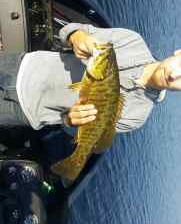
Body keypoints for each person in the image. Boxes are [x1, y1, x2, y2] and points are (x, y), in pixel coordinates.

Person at [1, 23, 181, 152]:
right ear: (178, 53)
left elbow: (80, 134)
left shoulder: (137, 116)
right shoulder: (132, 42)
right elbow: (70, 30)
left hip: (24, 111)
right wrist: (78, 36)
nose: (174, 76)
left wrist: (70, 121)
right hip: (21, 65)